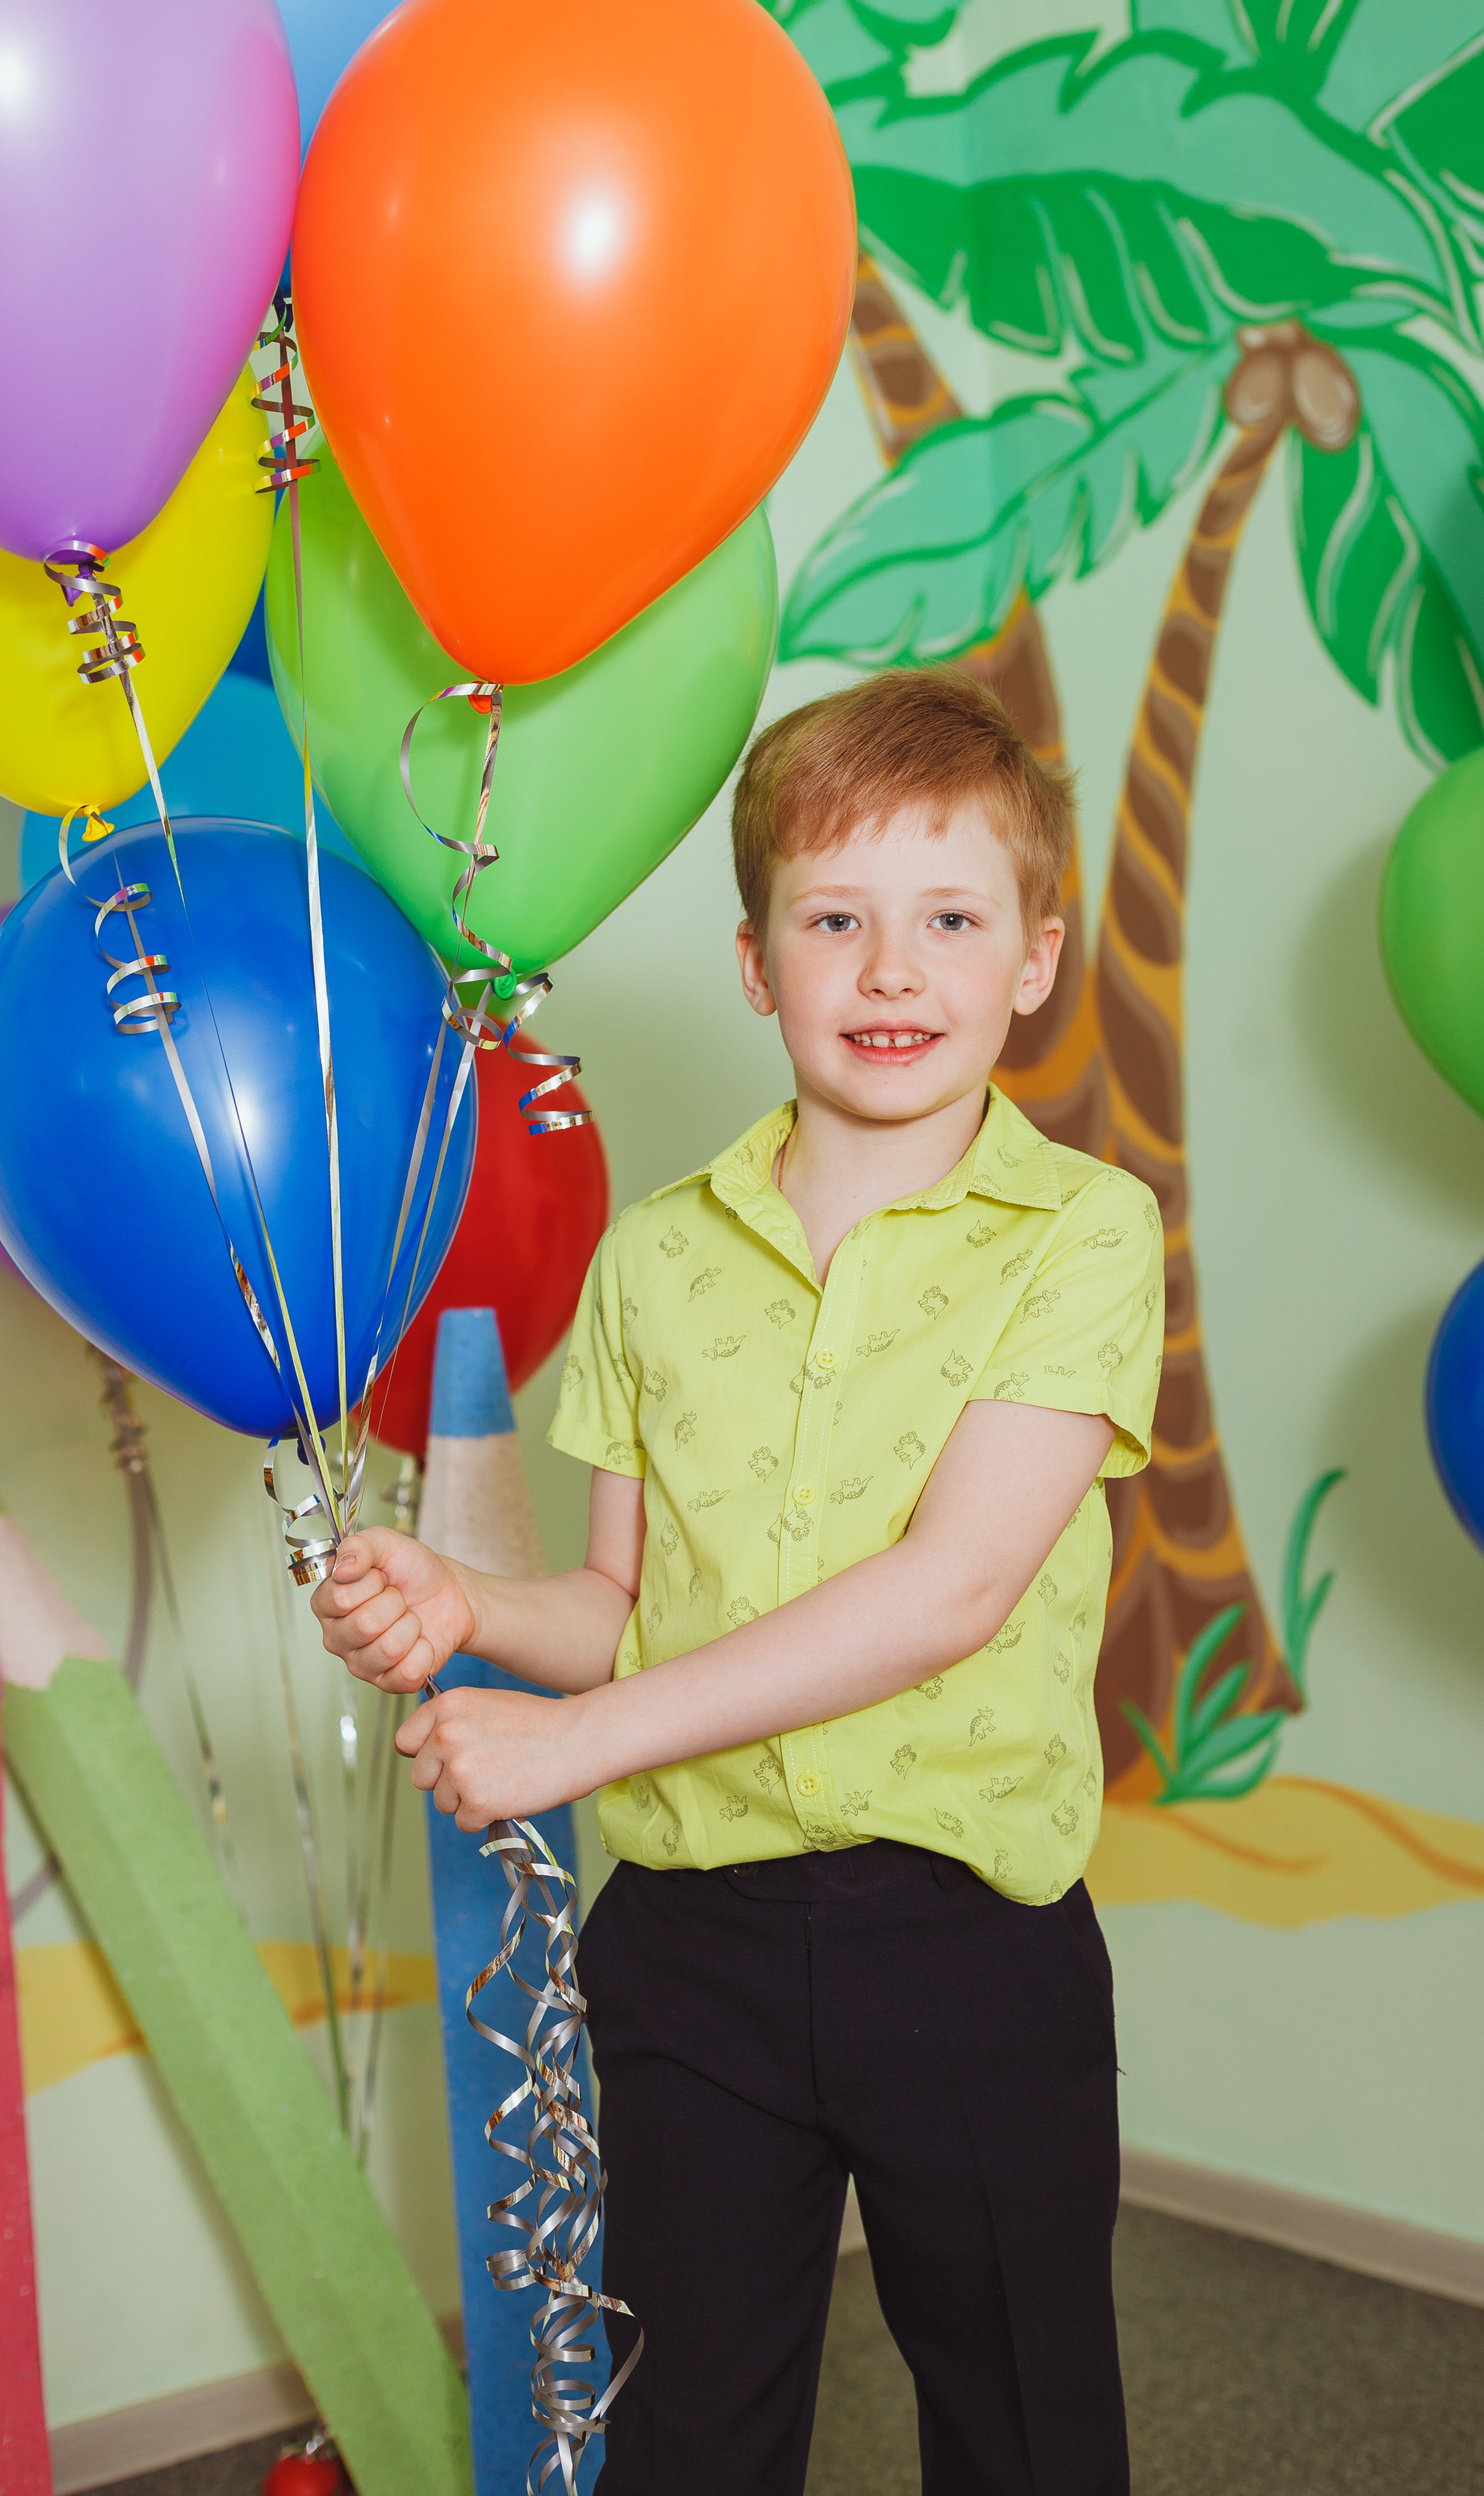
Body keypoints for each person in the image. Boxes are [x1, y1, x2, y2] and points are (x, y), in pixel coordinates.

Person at [313, 668, 1164, 2496]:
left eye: (952, 921)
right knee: (685, 2437)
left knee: (1027, 2430)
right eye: (833, 919)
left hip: (967, 1941)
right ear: (757, 964)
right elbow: (621, 1610)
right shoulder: (652, 1258)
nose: (890, 970)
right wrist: (470, 1610)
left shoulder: (1088, 1233)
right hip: (689, 1949)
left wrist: (572, 1747)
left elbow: (949, 1592)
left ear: (1035, 958)